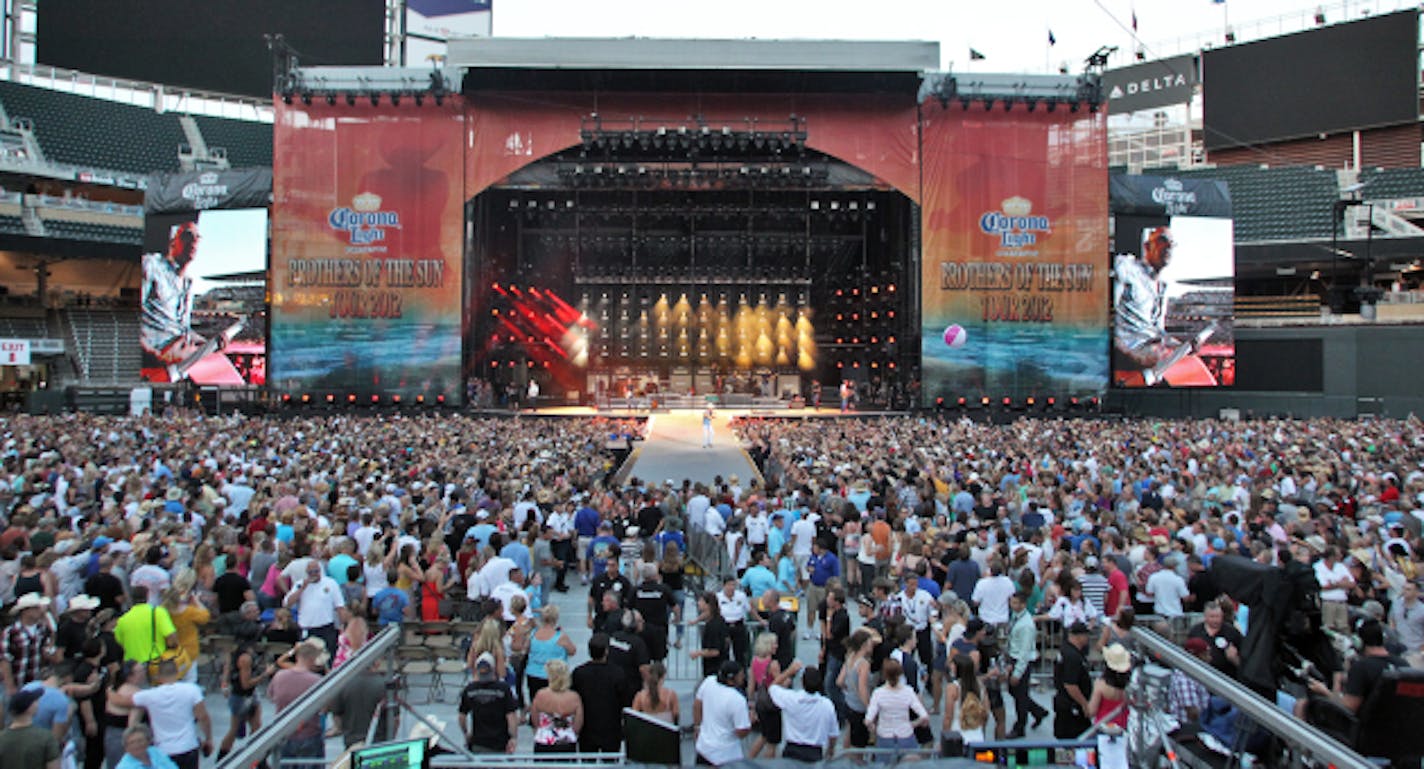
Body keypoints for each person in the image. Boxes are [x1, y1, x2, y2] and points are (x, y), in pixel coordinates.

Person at [141, 222, 215, 374]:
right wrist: (156, 356)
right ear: (172, 242)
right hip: (152, 364)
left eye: (197, 237)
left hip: (178, 366)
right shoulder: (151, 265)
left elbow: (182, 328)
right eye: (187, 235)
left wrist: (210, 343)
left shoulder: (189, 283)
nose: (194, 240)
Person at [1113, 225, 1178, 382]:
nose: (1169, 246)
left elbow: (1158, 332)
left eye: (1172, 243)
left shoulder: (1163, 287)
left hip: (1150, 366)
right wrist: (1131, 355)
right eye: (1163, 240)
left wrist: (1182, 345)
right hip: (1125, 364)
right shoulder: (1126, 267)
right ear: (1147, 246)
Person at [1308, 619, 1407, 714]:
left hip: (1366, 727)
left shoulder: (1361, 667)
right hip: (1397, 726)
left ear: (1358, 641)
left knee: (1304, 706)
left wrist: (1326, 691)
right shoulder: (1403, 664)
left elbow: (1347, 708)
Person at [128, 659, 211, 769]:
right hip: (188, 746)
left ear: (158, 676)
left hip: (164, 750)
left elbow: (124, 700)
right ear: (177, 672)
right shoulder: (192, 690)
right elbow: (203, 717)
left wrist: (109, 693)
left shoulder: (149, 695)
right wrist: (208, 738)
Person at [217, 614, 273, 760]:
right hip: (242, 696)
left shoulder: (236, 651)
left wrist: (224, 683)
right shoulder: (245, 658)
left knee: (255, 728)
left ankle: (257, 760)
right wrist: (265, 675)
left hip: (246, 694)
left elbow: (227, 667)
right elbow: (246, 683)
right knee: (234, 730)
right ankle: (224, 758)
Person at [267, 639, 326, 762]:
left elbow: (271, 697)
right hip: (309, 734)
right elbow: (324, 708)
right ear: (313, 659)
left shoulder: (279, 676)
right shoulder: (316, 681)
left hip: (283, 733)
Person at [769, 663, 838, 763]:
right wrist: (830, 750)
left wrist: (789, 671)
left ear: (802, 682)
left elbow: (772, 688)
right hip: (814, 752)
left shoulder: (791, 699)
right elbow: (833, 734)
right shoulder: (827, 705)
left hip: (792, 750)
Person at [571, 633, 627, 754]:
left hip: (587, 728)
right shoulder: (617, 673)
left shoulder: (579, 673)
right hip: (611, 727)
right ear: (606, 651)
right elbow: (624, 699)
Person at [865, 657, 930, 756]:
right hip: (905, 735)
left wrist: (875, 728)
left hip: (884, 737)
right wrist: (912, 724)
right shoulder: (908, 691)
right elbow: (924, 716)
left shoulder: (878, 693)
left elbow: (868, 720)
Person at [694, 659, 752, 766]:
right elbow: (741, 731)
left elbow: (697, 704)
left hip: (703, 748)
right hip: (726, 756)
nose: (743, 677)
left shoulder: (709, 681)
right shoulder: (737, 699)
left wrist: (697, 727)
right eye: (740, 675)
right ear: (731, 679)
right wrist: (750, 720)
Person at [458, 652, 519, 754]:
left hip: (478, 742)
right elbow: (511, 716)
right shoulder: (503, 689)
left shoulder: (470, 690)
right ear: (493, 669)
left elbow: (462, 716)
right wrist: (513, 737)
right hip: (500, 743)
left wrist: (466, 733)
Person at [1006, 591, 1047, 738]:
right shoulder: (1015, 618)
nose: (1012, 605)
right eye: (1012, 602)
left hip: (1021, 660)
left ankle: (1020, 726)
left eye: (1016, 603)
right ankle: (1037, 711)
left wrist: (1018, 672)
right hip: (1014, 657)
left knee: (1020, 696)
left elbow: (1024, 652)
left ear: (1023, 605)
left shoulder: (1027, 625)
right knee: (1015, 691)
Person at [2, 594, 58, 696]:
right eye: (36, 608)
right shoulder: (11, 632)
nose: (40, 610)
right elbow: (5, 661)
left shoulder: (42, 629)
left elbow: (47, 652)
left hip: (36, 682)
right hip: (18, 682)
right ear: (26, 611)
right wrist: (10, 686)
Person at [284, 559, 344, 655]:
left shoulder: (331, 583)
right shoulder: (299, 584)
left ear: (320, 571)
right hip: (307, 629)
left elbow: (340, 607)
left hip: (325, 628)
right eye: (310, 572)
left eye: (316, 571)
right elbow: (288, 603)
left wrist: (342, 625)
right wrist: (302, 589)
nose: (313, 574)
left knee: (328, 656)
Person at [747, 632, 788, 759]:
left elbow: (751, 685)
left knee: (764, 735)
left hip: (761, 703)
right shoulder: (773, 664)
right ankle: (768, 764)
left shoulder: (754, 661)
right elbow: (780, 684)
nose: (776, 646)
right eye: (774, 643)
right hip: (772, 704)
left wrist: (751, 705)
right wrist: (787, 679)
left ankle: (749, 759)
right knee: (772, 742)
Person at [528, 659, 581, 753]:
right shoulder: (574, 697)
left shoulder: (540, 695)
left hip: (544, 740)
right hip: (567, 741)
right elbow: (578, 725)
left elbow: (535, 721)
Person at [838, 627, 878, 749]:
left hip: (849, 702)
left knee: (849, 733)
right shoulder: (863, 664)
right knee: (859, 743)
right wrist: (869, 708)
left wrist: (848, 689)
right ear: (864, 645)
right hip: (859, 707)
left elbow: (839, 681)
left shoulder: (850, 657)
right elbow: (862, 688)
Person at [0, 687, 60, 769]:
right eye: (35, 701)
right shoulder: (45, 738)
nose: (38, 703)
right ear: (30, 708)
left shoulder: (2, 738)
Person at [524, 605, 575, 701]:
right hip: (554, 675)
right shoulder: (560, 637)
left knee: (536, 702)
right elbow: (572, 651)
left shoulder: (533, 634)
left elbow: (526, 649)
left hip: (533, 673)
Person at [1053, 621, 1094, 738]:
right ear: (1078, 636)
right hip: (1071, 708)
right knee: (1077, 739)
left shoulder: (1066, 650)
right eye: (1086, 635)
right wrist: (1084, 704)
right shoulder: (1072, 657)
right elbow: (1071, 685)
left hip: (1065, 704)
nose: (1087, 638)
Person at [1186, 600, 1244, 679]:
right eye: (1212, 617)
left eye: (1218, 616)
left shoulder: (1232, 632)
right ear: (1205, 616)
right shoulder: (1196, 631)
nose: (1216, 620)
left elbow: (1244, 660)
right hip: (1202, 675)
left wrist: (1234, 659)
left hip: (1227, 677)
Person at [942, 654, 989, 744]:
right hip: (977, 736)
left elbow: (948, 717)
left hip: (956, 737)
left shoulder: (952, 688)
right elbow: (986, 713)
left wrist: (944, 739)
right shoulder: (981, 687)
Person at [1169, 638, 1213, 723]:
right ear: (1196, 657)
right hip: (1189, 727)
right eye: (1205, 655)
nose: (1209, 658)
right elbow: (1193, 713)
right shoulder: (1185, 679)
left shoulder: (1196, 674)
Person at [1090, 644, 1132, 731]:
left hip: (1103, 726)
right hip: (1124, 727)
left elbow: (1092, 711)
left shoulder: (1100, 685)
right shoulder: (1130, 686)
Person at [692, 591, 731, 679]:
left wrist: (698, 653)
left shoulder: (713, 626)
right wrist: (696, 620)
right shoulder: (720, 620)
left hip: (714, 669)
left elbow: (714, 651)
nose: (698, 603)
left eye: (701, 601)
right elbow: (706, 614)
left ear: (708, 605)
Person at [631, 660, 679, 725]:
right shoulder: (671, 695)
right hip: (666, 732)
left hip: (647, 731)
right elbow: (676, 714)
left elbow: (633, 717)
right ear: (664, 676)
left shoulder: (640, 696)